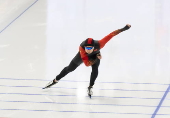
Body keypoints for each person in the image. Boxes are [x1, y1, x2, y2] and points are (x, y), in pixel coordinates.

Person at [43, 24, 131, 98]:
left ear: (94, 46)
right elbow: (87, 64)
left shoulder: (100, 43)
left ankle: (90, 86)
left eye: (90, 48)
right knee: (70, 69)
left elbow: (112, 34)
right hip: (84, 57)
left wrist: (124, 28)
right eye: (87, 48)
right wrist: (97, 57)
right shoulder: (82, 48)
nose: (88, 49)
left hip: (95, 55)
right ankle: (55, 80)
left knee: (95, 70)